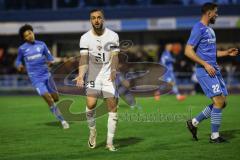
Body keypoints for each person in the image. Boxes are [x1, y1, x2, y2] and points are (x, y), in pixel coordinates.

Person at [185, 2, 238, 143]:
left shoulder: (210, 30)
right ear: (209, 13)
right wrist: (205, 64)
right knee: (219, 101)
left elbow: (211, 53)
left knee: (222, 102)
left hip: (214, 70)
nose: (217, 15)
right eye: (216, 12)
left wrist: (226, 52)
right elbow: (188, 51)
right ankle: (214, 136)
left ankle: (194, 122)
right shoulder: (198, 28)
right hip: (205, 70)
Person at [74, 9, 119, 151]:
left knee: (113, 106)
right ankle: (92, 131)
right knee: (91, 104)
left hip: (107, 75)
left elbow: (115, 56)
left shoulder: (113, 35)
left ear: (103, 19)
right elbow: (83, 58)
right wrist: (81, 75)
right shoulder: (85, 38)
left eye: (99, 17)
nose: (96, 20)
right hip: (93, 74)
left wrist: (113, 70)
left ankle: (109, 143)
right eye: (93, 18)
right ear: (90, 20)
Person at [15, 24, 69, 129]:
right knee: (48, 98)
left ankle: (55, 104)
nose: (29, 36)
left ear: (33, 33)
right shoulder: (22, 49)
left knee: (55, 98)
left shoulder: (41, 45)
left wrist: (51, 62)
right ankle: (63, 121)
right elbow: (18, 60)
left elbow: (50, 58)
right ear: (24, 38)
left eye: (30, 33)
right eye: (26, 35)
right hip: (36, 78)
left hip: (47, 75)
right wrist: (19, 65)